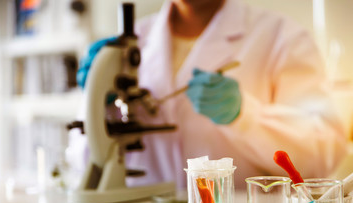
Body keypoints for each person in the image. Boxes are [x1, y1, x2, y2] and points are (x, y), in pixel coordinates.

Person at [72, 0, 348, 189]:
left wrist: (246, 117)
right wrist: (97, 101)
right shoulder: (130, 42)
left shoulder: (281, 36)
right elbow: (78, 159)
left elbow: (322, 157)